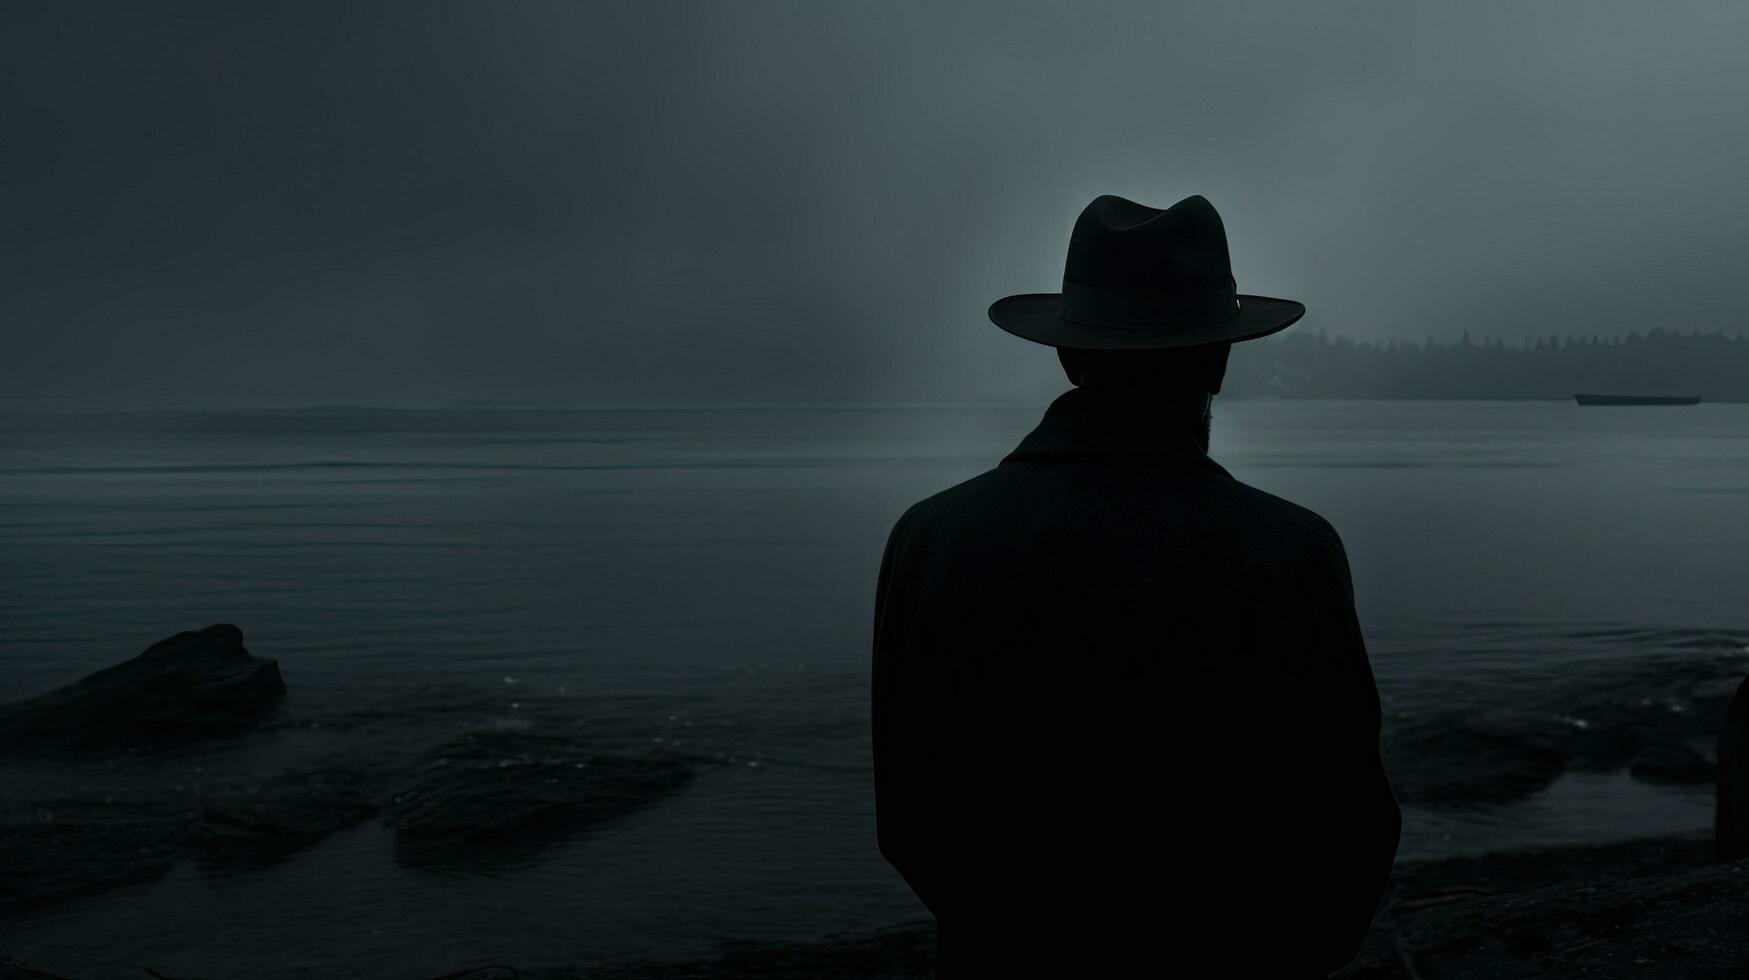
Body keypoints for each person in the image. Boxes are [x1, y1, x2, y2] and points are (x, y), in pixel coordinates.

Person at [871, 194, 1401, 977]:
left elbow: (912, 823)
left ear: (1066, 353)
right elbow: (1345, 835)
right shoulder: (1287, 553)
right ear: (1219, 358)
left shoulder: (930, 539)